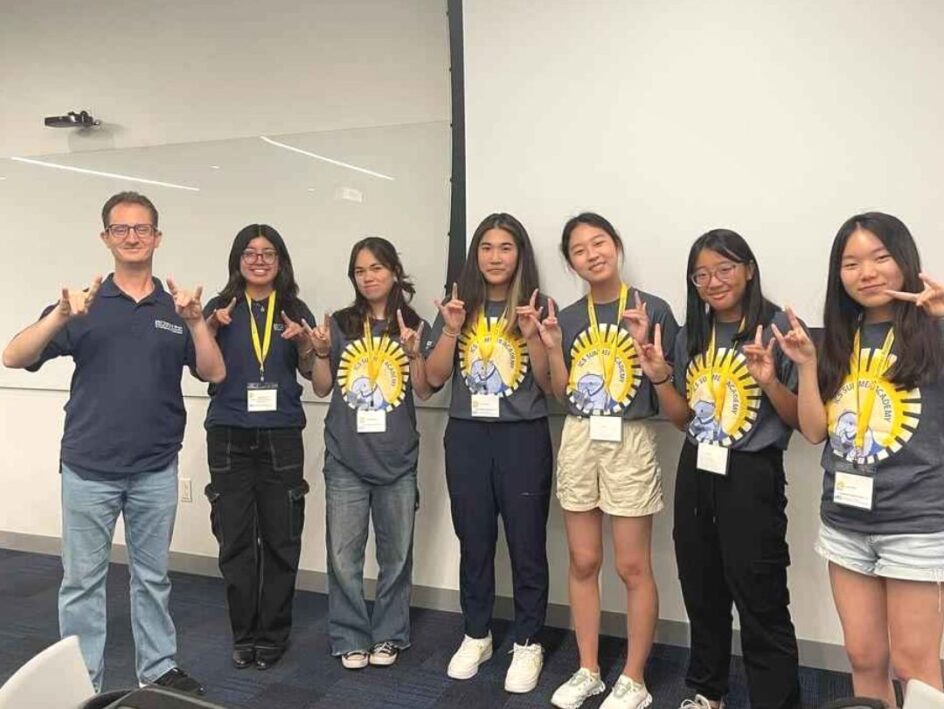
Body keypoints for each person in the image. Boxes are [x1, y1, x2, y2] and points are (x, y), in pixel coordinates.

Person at [1, 191, 225, 693]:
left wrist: (195, 322)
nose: (132, 237)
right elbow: (13, 357)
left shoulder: (177, 307)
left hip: (154, 469)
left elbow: (214, 371)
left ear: (157, 238)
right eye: (121, 229)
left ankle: (158, 672)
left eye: (141, 228)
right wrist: (59, 316)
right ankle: (83, 683)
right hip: (88, 469)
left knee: (153, 579)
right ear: (105, 238)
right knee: (82, 584)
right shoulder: (81, 304)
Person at [776, 212, 944, 705]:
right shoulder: (837, 338)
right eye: (851, 263)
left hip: (914, 522)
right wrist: (806, 367)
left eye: (880, 258)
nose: (866, 272)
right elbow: (813, 431)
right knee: (864, 657)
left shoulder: (934, 333)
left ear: (905, 263)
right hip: (845, 522)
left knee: (915, 665)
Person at [636, 229, 801, 708]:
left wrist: (769, 382)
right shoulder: (693, 333)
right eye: (702, 274)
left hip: (751, 474)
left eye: (725, 269)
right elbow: (682, 417)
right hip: (698, 468)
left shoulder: (777, 330)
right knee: (701, 584)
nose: (713, 281)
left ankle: (776, 700)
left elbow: (799, 422)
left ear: (748, 269)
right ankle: (708, 690)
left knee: (760, 594)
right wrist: (662, 376)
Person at [538, 212, 679, 709]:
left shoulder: (652, 308)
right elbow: (561, 392)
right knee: (582, 560)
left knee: (633, 565)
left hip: (630, 439)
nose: (591, 254)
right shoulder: (570, 316)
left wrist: (648, 352)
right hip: (579, 437)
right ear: (571, 261)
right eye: (579, 249)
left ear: (616, 246)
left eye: (599, 243)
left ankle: (635, 679)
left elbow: (672, 390)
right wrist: (553, 348)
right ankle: (589, 669)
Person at [425, 213, 553, 693]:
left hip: (522, 435)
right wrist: (452, 329)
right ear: (474, 255)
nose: (495, 257)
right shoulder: (458, 306)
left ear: (520, 254)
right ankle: (476, 632)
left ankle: (528, 641)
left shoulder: (539, 306)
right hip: (467, 435)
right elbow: (435, 378)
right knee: (474, 538)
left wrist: (536, 335)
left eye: (505, 247)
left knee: (525, 541)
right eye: (486, 247)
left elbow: (547, 385)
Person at [308, 237, 432, 669]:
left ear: (394, 271)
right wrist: (321, 352)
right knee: (343, 555)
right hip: (346, 456)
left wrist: (415, 352)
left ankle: (390, 634)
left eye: (376, 268)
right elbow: (322, 386)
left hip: (397, 457)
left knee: (396, 554)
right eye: (360, 271)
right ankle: (349, 635)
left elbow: (423, 387)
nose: (369, 277)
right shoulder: (340, 323)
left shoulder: (415, 324)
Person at [202, 224, 316, 670]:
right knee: (234, 541)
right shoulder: (220, 307)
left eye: (269, 253)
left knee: (281, 539)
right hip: (229, 432)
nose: (259, 260)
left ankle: (273, 634)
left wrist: (306, 343)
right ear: (237, 260)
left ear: (281, 261)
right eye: (250, 253)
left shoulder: (294, 308)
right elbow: (200, 369)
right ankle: (243, 633)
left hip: (282, 434)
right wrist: (208, 326)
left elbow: (310, 371)